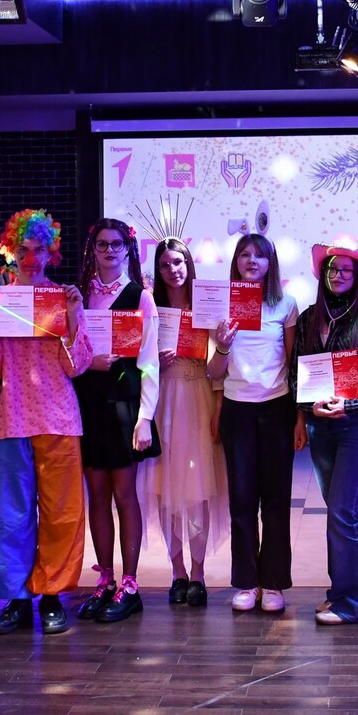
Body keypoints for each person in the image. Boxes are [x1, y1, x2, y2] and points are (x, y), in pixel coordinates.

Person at [0, 210, 91, 636]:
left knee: (62, 513)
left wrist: (73, 318)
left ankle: (53, 595)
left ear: (51, 252)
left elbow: (77, 366)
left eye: (39, 249)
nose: (31, 258)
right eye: (23, 249)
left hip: (59, 417)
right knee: (12, 514)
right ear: (10, 250)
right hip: (12, 418)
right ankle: (18, 599)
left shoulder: (63, 298)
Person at [294, 244, 358, 625]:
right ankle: (341, 593)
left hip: (357, 425)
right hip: (321, 426)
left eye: (347, 271)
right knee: (338, 513)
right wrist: (309, 407)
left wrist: (348, 405)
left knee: (343, 511)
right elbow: (296, 372)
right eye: (333, 269)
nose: (338, 276)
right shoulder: (309, 318)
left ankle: (356, 602)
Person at [206, 233, 300, 613]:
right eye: (244, 255)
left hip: (277, 408)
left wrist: (299, 418)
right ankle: (247, 582)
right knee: (242, 500)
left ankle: (273, 582)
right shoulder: (222, 305)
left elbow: (294, 366)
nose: (251, 261)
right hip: (237, 409)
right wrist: (223, 344)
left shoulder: (285, 305)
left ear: (270, 264)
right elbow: (214, 371)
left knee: (276, 500)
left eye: (259, 256)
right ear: (236, 262)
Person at [74, 218, 159, 624]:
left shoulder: (141, 297)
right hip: (87, 405)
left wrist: (145, 418)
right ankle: (105, 579)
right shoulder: (79, 296)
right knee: (97, 495)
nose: (109, 251)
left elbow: (150, 363)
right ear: (93, 250)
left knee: (125, 495)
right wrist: (87, 362)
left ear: (128, 249)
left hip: (124, 407)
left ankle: (130, 584)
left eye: (117, 244)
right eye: (102, 244)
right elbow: (66, 351)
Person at [141, 238, 228, 609]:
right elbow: (136, 360)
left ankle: (198, 573)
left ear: (189, 264)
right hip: (162, 399)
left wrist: (218, 405)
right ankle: (176, 572)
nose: (172, 270)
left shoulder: (206, 305)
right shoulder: (151, 307)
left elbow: (218, 370)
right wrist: (153, 362)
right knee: (165, 487)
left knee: (198, 488)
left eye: (178, 262)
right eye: (164, 265)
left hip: (197, 398)